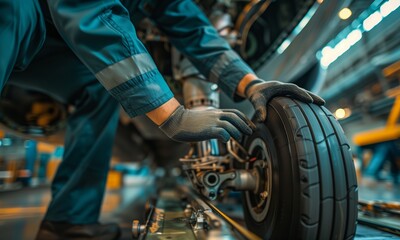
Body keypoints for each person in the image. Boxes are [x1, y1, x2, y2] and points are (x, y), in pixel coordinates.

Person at [1, 0, 324, 239]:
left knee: (96, 89)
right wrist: (172, 114)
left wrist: (251, 84)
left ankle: (67, 220)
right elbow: (90, 12)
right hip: (24, 12)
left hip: (51, 37)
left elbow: (194, 31)